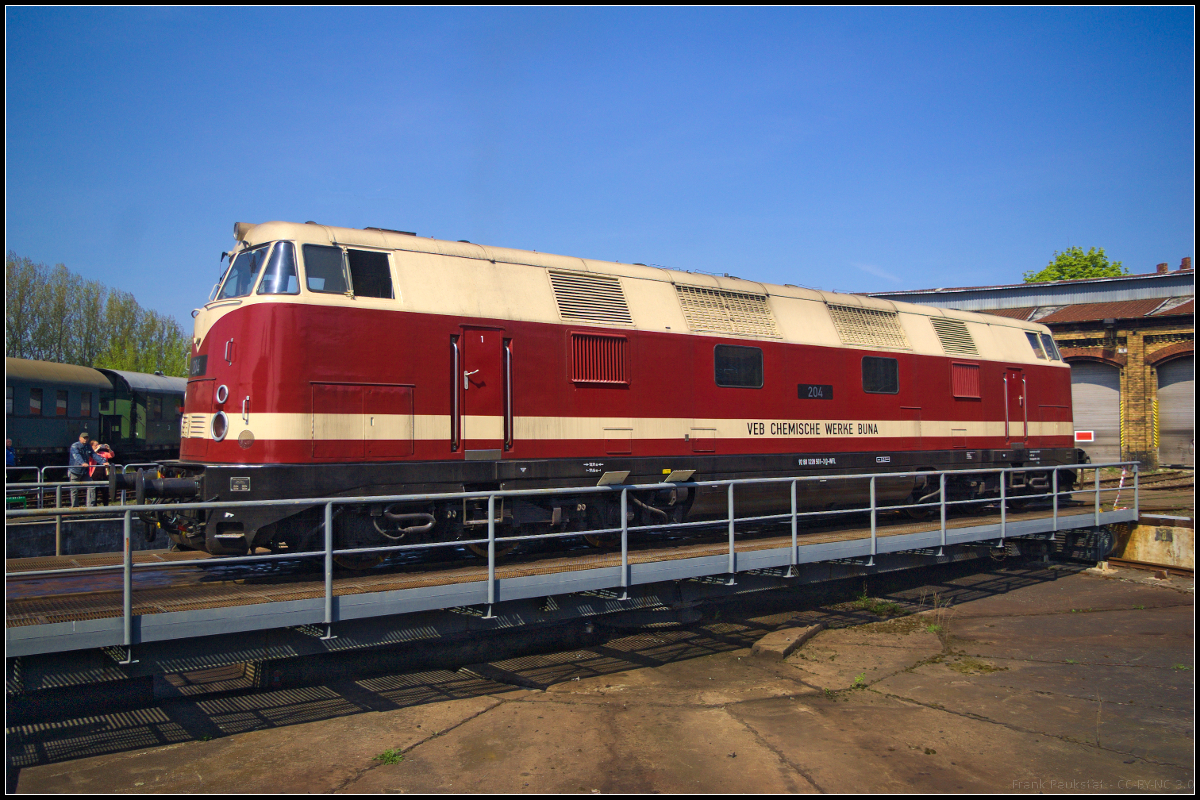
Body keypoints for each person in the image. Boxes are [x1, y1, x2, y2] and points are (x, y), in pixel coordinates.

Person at [68, 432, 97, 507]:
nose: (86, 439)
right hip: (75, 471)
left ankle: (90, 506)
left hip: (84, 472)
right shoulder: (75, 446)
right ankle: (75, 507)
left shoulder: (88, 446)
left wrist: (103, 462)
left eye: (87, 438)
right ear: (80, 438)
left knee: (91, 486)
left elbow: (94, 455)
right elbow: (76, 456)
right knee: (74, 490)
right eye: (84, 438)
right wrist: (82, 463)